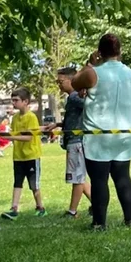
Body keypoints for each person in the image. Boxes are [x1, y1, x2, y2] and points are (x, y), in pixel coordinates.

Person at [71, 34, 131, 230]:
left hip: (98, 136)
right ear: (120, 51)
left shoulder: (94, 73)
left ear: (99, 51)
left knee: (99, 180)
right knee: (123, 177)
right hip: (124, 133)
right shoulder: (128, 72)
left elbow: (75, 83)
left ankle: (99, 223)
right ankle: (130, 219)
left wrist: (89, 64)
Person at [44, 69, 92, 220]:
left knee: (77, 178)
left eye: (61, 81)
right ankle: (98, 204)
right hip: (73, 140)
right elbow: (74, 116)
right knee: (79, 177)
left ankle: (72, 211)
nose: (58, 84)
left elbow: (89, 107)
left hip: (77, 141)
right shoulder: (71, 98)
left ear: (72, 80)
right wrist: (58, 124)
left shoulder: (74, 97)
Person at [1, 88, 45, 220]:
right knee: (17, 183)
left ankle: (40, 207)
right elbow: (15, 133)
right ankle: (14, 209)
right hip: (18, 157)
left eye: (16, 100)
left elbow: (29, 137)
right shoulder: (14, 117)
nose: (13, 103)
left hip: (31, 156)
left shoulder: (31, 117)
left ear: (25, 102)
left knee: (34, 185)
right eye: (12, 100)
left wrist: (11, 138)